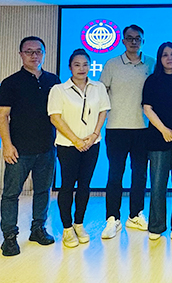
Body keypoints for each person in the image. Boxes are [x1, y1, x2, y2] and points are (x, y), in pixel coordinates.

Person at [0, 36, 60, 256]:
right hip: (19, 149)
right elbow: (2, 116)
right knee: (11, 193)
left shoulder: (54, 80)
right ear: (21, 54)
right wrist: (7, 145)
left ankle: (38, 229)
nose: (34, 55)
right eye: (29, 51)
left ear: (44, 53)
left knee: (43, 191)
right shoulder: (11, 82)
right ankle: (9, 237)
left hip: (46, 147)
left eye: (38, 51)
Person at [48, 49, 111, 248]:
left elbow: (103, 112)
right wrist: (76, 140)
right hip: (67, 145)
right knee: (67, 185)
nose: (81, 68)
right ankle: (67, 228)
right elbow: (55, 118)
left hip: (92, 143)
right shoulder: (59, 89)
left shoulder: (98, 87)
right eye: (77, 64)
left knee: (85, 185)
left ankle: (79, 224)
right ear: (70, 67)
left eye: (85, 64)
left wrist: (93, 135)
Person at [99, 25, 156, 239]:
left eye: (137, 38)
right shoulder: (112, 64)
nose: (133, 42)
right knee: (115, 175)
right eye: (129, 38)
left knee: (139, 175)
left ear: (143, 41)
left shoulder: (151, 63)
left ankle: (135, 214)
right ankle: (112, 218)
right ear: (123, 41)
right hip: (116, 128)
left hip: (143, 129)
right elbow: (101, 93)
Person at [142, 42, 172, 241]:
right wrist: (163, 130)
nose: (169, 58)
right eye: (165, 55)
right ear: (159, 58)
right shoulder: (152, 80)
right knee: (157, 184)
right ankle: (156, 226)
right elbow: (147, 108)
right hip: (157, 138)